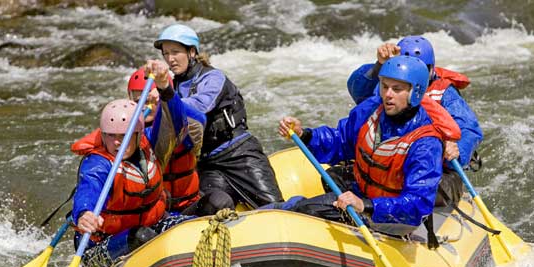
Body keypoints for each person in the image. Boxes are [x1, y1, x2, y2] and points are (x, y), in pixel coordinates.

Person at [277, 55, 457, 237]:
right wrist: (304, 134)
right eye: (385, 86)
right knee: (334, 176)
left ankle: (285, 212)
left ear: (414, 93)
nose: (388, 95)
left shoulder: (426, 143)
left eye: (397, 89)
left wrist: (367, 206)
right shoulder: (371, 111)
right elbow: (341, 140)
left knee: (309, 209)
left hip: (394, 217)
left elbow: (418, 203)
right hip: (367, 194)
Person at [71, 60, 195, 267]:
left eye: (123, 136)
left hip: (150, 223)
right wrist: (84, 213)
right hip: (104, 247)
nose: (118, 143)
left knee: (195, 226)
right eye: (111, 136)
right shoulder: (98, 163)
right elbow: (88, 188)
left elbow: (175, 124)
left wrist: (165, 86)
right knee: (142, 237)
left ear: (138, 134)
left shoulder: (149, 143)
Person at [153, 23, 284, 208]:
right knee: (212, 207)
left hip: (240, 154)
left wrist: (166, 97)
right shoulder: (172, 86)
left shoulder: (213, 77)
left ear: (191, 52)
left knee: (274, 207)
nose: (170, 59)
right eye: (166, 53)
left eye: (175, 52)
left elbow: (201, 104)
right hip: (208, 163)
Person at [347, 35, 484, 206]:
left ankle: (397, 208)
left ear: (431, 70)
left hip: (427, 166)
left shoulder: (445, 93)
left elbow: (469, 129)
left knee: (433, 185)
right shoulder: (392, 83)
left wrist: (456, 149)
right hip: (392, 161)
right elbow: (359, 92)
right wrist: (379, 66)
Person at [127, 66, 235, 216]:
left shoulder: (180, 125)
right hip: (155, 213)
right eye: (140, 101)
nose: (147, 106)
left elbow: (197, 120)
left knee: (220, 201)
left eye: (151, 100)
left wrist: (167, 95)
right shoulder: (125, 135)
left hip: (188, 207)